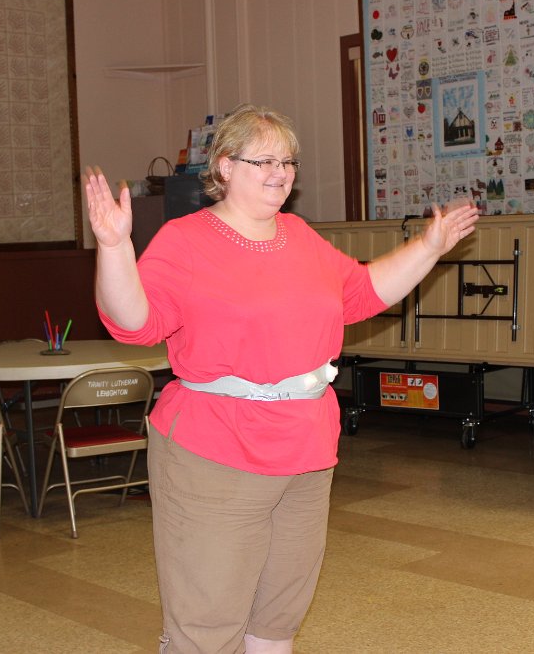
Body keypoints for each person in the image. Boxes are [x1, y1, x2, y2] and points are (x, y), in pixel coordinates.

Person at [85, 103, 478, 654]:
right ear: (225, 166)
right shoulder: (185, 240)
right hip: (216, 450)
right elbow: (134, 323)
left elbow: (362, 293)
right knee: (207, 624)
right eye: (264, 161)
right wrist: (114, 248)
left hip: (306, 449)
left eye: (288, 162)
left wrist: (429, 246)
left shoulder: (298, 234)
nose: (281, 173)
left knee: (277, 619)